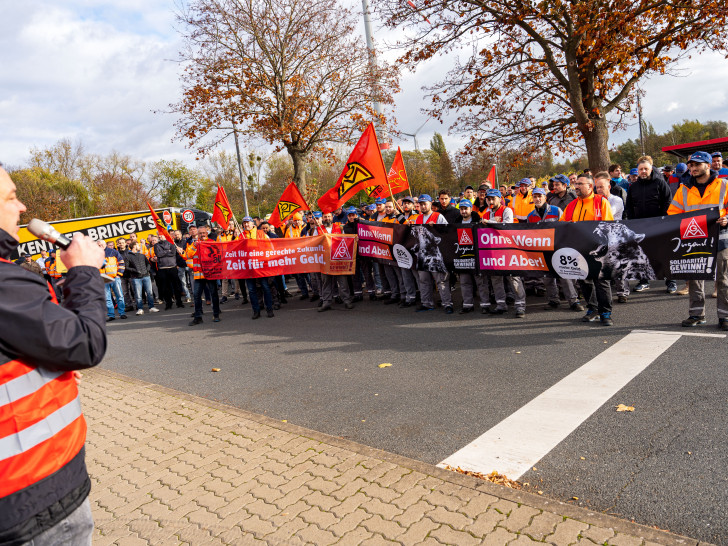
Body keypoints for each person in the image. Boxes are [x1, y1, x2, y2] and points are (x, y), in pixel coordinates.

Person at [0, 166, 106, 546]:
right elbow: (85, 344)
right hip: (33, 500)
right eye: (11, 197)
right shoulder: (4, 284)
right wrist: (84, 273)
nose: (22, 206)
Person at [667, 151, 728, 330]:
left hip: (720, 239)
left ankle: (725, 317)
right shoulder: (684, 189)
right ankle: (696, 314)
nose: (692, 168)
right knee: (695, 278)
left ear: (708, 166)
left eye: (697, 165)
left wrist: (727, 218)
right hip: (693, 241)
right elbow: (673, 214)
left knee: (723, 279)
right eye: (691, 165)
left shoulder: (724, 185)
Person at [561, 173, 615, 325]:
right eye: (576, 184)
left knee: (601, 281)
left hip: (598, 250)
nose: (576, 186)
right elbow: (562, 226)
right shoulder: (571, 205)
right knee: (584, 281)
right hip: (579, 250)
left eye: (580, 184)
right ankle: (593, 309)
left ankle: (606, 312)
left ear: (590, 186)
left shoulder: (601, 202)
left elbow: (608, 226)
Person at [625, 155, 673, 293]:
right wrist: (633, 222)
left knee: (664, 254)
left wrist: (663, 219)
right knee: (643, 255)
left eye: (646, 169)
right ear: (637, 171)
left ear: (651, 169)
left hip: (659, 225)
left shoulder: (660, 183)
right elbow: (629, 206)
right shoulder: (633, 187)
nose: (643, 171)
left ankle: (670, 281)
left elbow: (668, 202)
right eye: (641, 169)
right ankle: (644, 281)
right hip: (641, 226)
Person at [480, 189, 526, 316]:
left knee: (514, 278)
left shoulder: (507, 210)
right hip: (493, 250)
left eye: (493, 198)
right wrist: (492, 222)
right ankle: (501, 304)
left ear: (500, 198)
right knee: (496, 278)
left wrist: (491, 222)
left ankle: (520, 306)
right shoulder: (486, 212)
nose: (490, 201)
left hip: (508, 249)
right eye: (488, 199)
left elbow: (507, 226)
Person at [412, 194, 453, 314]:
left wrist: (437, 228)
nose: (423, 206)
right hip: (422, 255)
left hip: (435, 254)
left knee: (441, 280)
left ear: (431, 203)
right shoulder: (418, 219)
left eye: (425, 203)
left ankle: (447, 303)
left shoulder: (438, 216)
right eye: (421, 204)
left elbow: (448, 232)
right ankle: (427, 303)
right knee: (424, 280)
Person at [185, 225, 221, 325]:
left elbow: (218, 255)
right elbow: (188, 255)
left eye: (204, 233)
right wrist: (194, 246)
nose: (202, 235)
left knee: (214, 295)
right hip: (199, 275)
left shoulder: (212, 242)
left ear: (207, 233)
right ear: (198, 234)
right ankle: (198, 317)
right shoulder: (195, 244)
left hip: (210, 274)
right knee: (196, 296)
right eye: (200, 233)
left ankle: (216, 314)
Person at [318, 212, 354, 312]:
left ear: (332, 217)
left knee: (343, 281)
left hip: (338, 260)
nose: (327, 218)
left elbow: (347, 240)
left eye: (329, 216)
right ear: (322, 218)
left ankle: (347, 301)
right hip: (325, 261)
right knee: (326, 282)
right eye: (325, 217)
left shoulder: (340, 228)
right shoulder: (316, 230)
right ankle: (326, 302)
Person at [125, 241, 159, 315]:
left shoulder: (142, 255)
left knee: (149, 293)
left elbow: (148, 264)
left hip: (146, 276)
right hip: (135, 278)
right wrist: (135, 270)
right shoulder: (128, 256)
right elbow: (126, 267)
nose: (139, 246)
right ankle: (140, 309)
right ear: (134, 246)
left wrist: (147, 270)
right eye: (137, 245)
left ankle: (151, 307)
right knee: (138, 294)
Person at [153, 236, 184, 310]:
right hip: (162, 268)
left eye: (161, 235)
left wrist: (164, 252)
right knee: (165, 288)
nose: (160, 236)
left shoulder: (171, 243)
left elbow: (173, 253)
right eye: (159, 235)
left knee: (176, 286)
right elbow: (158, 254)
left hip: (172, 267)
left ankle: (179, 302)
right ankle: (168, 303)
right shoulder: (156, 245)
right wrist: (168, 251)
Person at [99, 239, 127, 321]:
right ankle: (111, 315)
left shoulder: (113, 252)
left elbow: (121, 262)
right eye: (98, 245)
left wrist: (119, 274)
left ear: (105, 245)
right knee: (107, 298)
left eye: (101, 245)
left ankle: (122, 313)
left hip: (114, 278)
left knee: (120, 296)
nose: (100, 246)